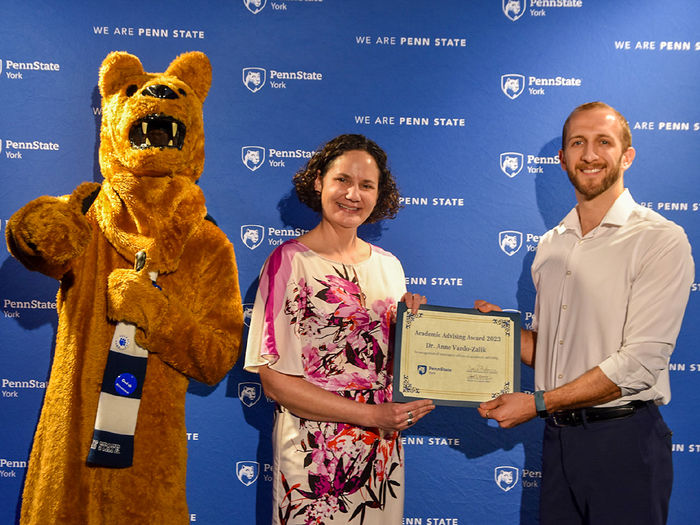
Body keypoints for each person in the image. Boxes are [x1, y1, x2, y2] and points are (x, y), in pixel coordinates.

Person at [476, 101, 694, 525]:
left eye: (603, 142)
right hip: (559, 441)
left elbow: (640, 363)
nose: (589, 154)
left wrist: (536, 403)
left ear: (627, 155)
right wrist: (495, 334)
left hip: (625, 442)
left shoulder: (660, 239)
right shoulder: (551, 245)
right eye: (578, 143)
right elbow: (553, 352)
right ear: (562, 159)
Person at [244, 134, 435, 525]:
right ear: (318, 182)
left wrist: (417, 333)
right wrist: (372, 417)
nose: (353, 194)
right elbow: (274, 382)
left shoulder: (389, 267)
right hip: (314, 464)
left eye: (367, 185)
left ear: (379, 195)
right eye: (342, 180)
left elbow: (396, 373)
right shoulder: (288, 263)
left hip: (380, 458)